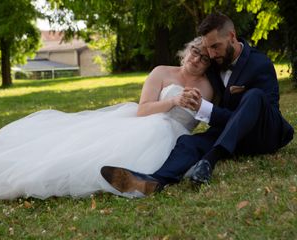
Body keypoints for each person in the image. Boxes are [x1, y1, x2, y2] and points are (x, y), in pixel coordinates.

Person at [0, 37, 213, 200]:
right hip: (147, 123)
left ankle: (137, 180)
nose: (197, 59)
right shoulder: (162, 71)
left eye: (204, 58)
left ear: (209, 64)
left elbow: (207, 118)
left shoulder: (209, 88)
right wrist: (173, 101)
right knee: (87, 151)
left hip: (177, 137)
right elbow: (143, 109)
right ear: (187, 50)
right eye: (195, 52)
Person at [101, 12, 294, 198]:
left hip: (264, 134)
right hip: (233, 137)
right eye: (208, 48)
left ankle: (210, 159)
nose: (210, 54)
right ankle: (155, 181)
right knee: (188, 142)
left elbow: (266, 112)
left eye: (215, 47)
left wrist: (206, 109)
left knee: (254, 96)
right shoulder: (215, 64)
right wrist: (196, 104)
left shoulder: (259, 63)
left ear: (232, 36)